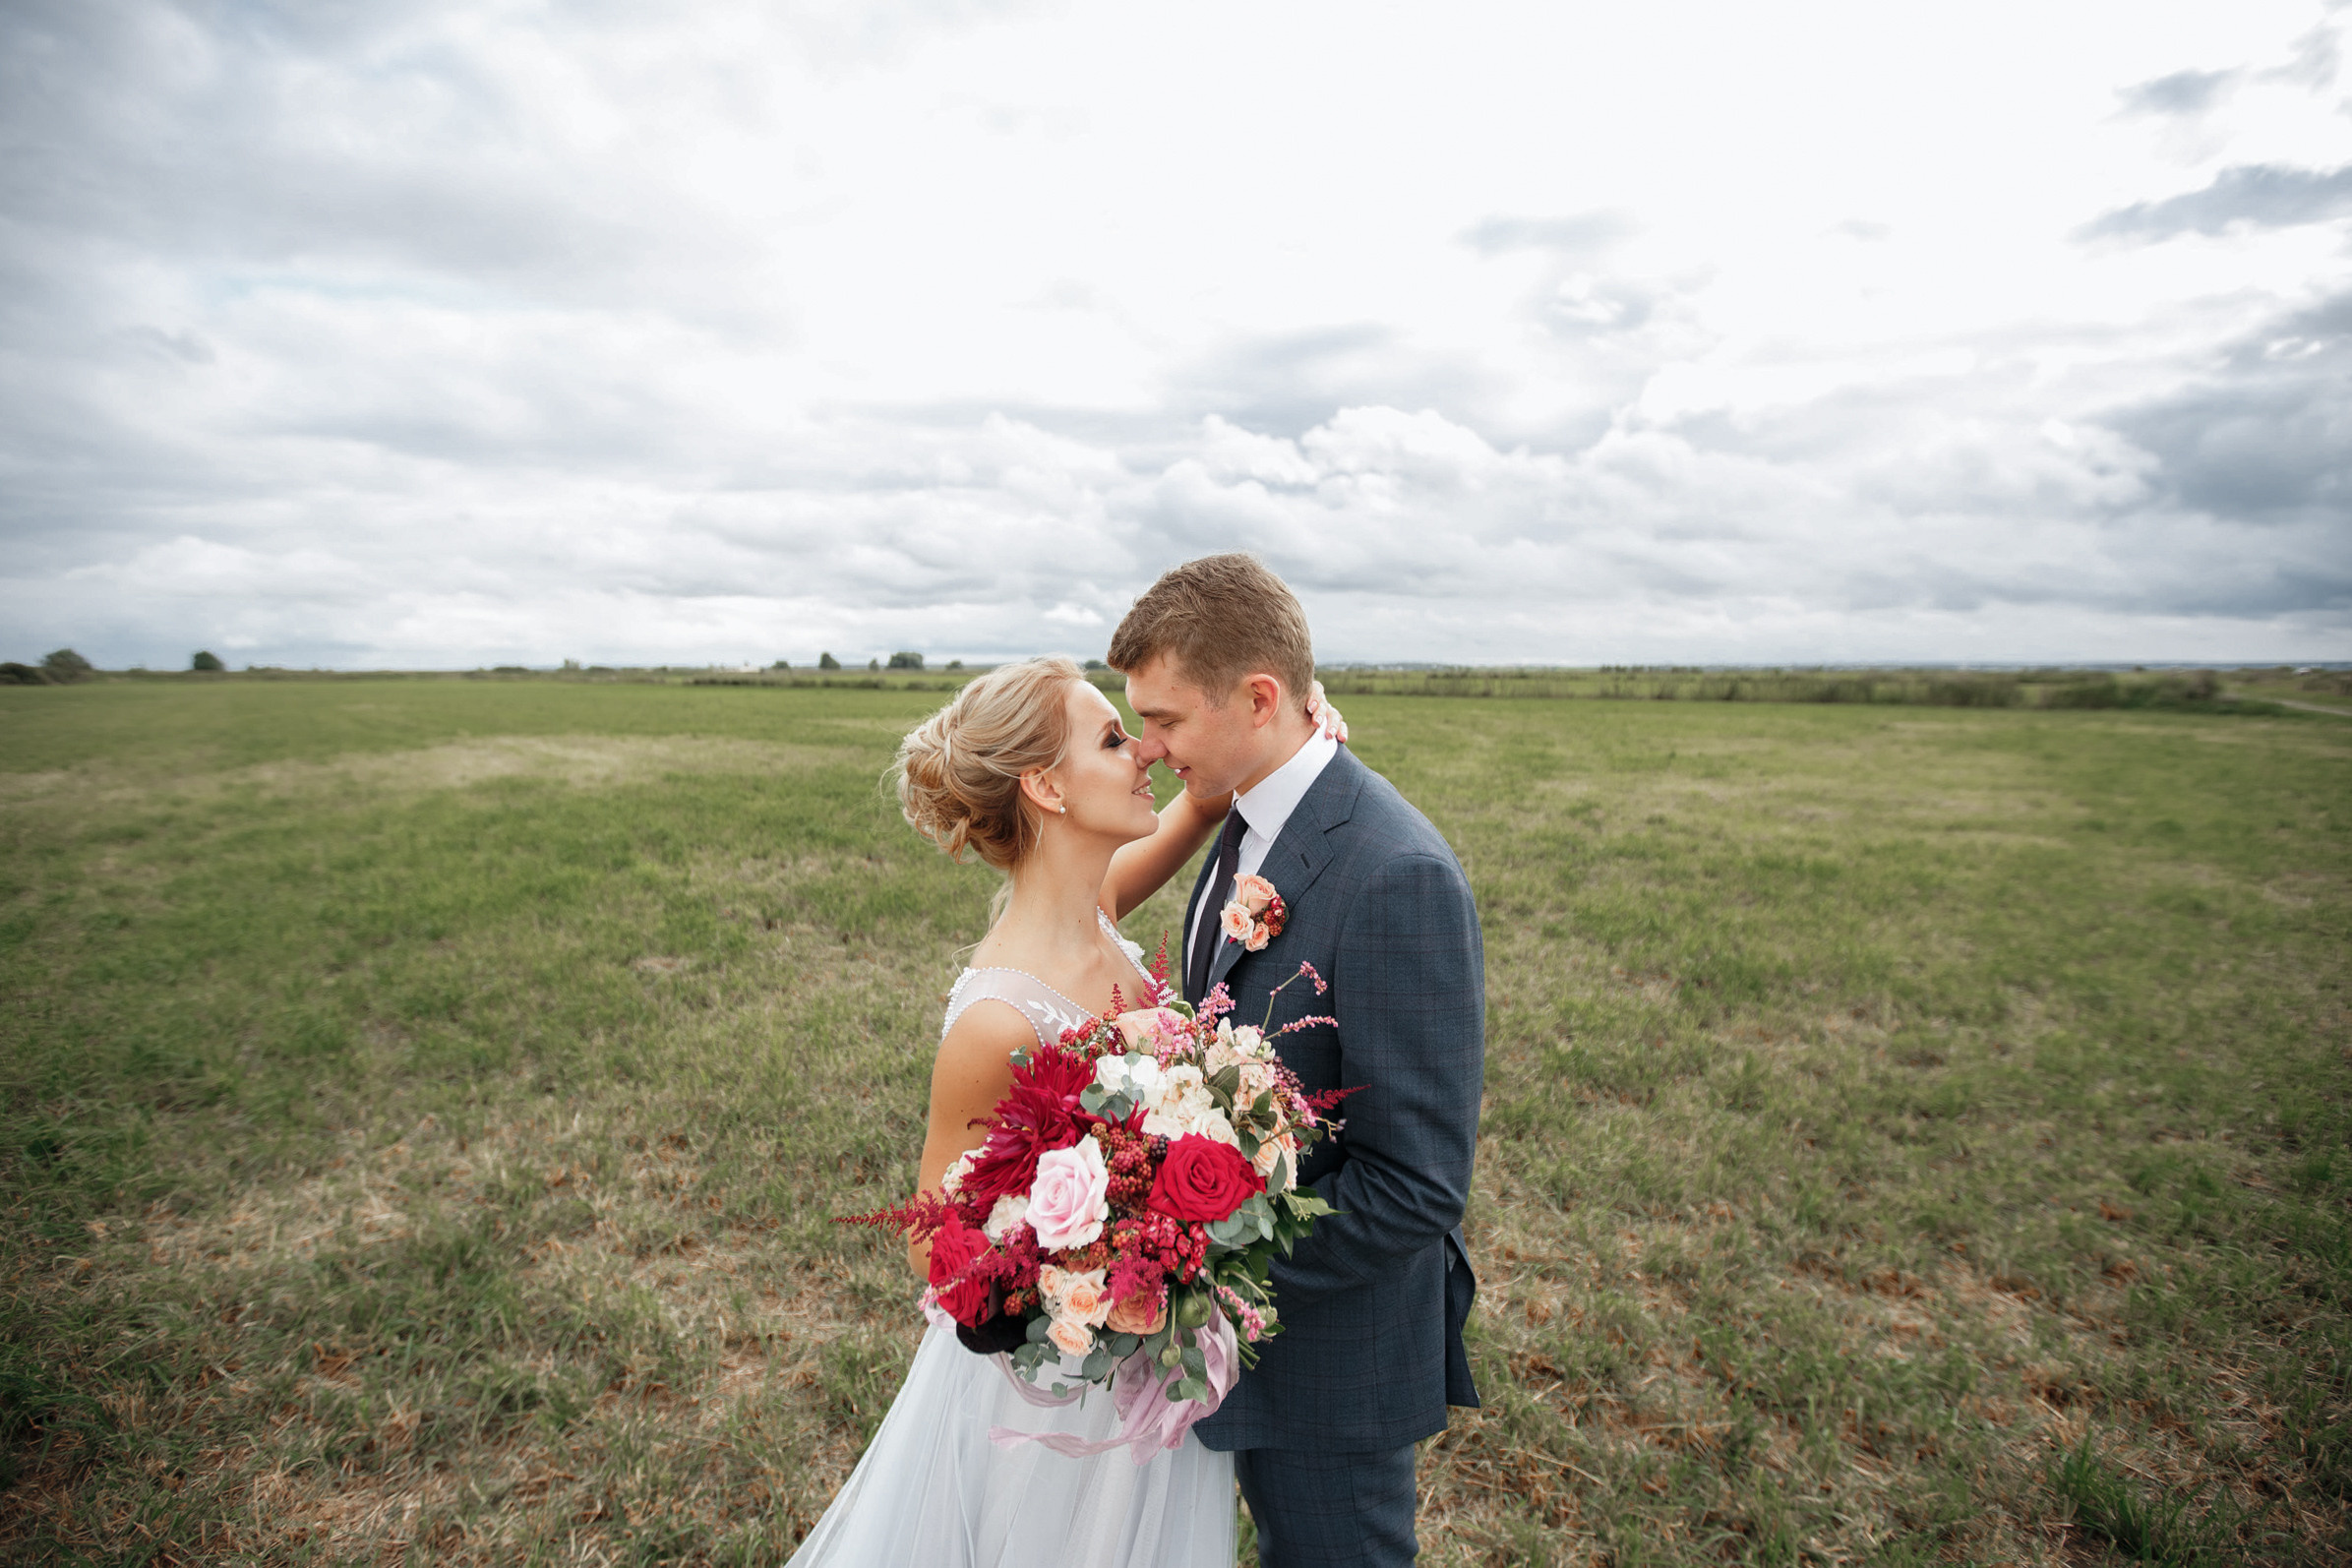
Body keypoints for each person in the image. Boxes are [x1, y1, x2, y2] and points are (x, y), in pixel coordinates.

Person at [785, 654, 1343, 1567]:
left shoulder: (1101, 907)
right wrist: (1110, 1244)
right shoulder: (997, 1018)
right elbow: (937, 1243)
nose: (1146, 753)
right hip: (1057, 1398)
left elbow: (1202, 799)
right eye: (1115, 738)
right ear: (1044, 784)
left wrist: (1293, 729)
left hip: (1145, 1368)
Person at [1107, 555, 1484, 1568]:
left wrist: (1198, 1267)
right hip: (1249, 1355)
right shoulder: (1245, 824)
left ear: (1260, 698)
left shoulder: (1395, 874)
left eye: (1166, 719)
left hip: (1332, 1365)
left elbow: (1414, 1187)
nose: (1149, 747)